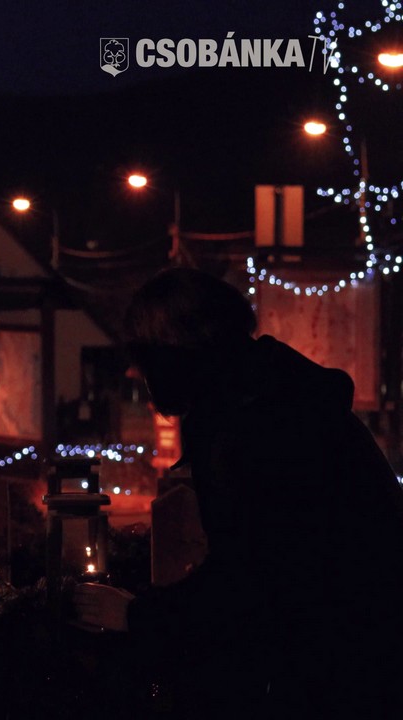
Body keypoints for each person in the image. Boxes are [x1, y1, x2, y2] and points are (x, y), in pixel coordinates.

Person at [73, 267, 403, 717]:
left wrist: (135, 616)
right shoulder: (278, 396)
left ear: (173, 355)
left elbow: (251, 580)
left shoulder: (252, 426)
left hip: (340, 669)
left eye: (144, 359)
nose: (140, 375)